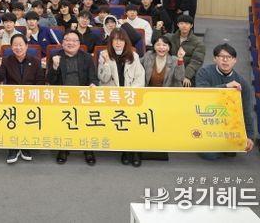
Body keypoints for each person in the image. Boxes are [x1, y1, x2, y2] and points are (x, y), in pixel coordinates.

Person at [47, 30, 100, 165]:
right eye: (67, 40)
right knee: (64, 123)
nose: (70, 43)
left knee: (86, 123)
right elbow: (50, 81)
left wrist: (93, 85)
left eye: (74, 40)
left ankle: (88, 149)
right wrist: (55, 67)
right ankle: (64, 149)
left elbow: (93, 78)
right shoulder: (55, 56)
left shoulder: (86, 57)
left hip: (82, 96)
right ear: (62, 42)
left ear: (79, 43)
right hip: (62, 97)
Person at [196, 44, 255, 158]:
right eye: (221, 56)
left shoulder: (242, 83)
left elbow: (246, 111)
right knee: (210, 156)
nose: (225, 60)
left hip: (228, 124)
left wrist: (250, 136)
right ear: (215, 59)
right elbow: (202, 93)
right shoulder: (204, 72)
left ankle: (224, 144)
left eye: (229, 57)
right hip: (206, 119)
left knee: (232, 151)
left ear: (235, 60)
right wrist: (226, 86)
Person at [0, 35, 44, 164]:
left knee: (27, 119)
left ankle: (25, 145)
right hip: (12, 97)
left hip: (30, 97)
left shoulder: (35, 61)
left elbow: (40, 81)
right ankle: (13, 147)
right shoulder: (6, 60)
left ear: (26, 46)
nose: (18, 47)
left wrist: (33, 96)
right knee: (12, 119)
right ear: (11, 47)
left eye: (21, 45)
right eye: (15, 45)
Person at [98, 28, 146, 167]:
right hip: (112, 97)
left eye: (121, 40)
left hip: (129, 96)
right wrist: (106, 63)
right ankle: (125, 149)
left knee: (133, 120)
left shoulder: (134, 56)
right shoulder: (103, 55)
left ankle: (134, 150)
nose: (118, 43)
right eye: (115, 40)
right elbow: (103, 78)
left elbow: (139, 78)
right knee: (123, 121)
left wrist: (129, 94)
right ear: (111, 42)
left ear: (126, 42)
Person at [151, 14, 205, 87]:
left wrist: (187, 76)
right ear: (178, 25)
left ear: (191, 26)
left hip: (187, 72)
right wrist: (157, 29)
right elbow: (155, 42)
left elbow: (196, 61)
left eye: (187, 23)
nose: (184, 26)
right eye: (181, 23)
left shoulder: (198, 43)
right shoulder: (170, 37)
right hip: (168, 71)